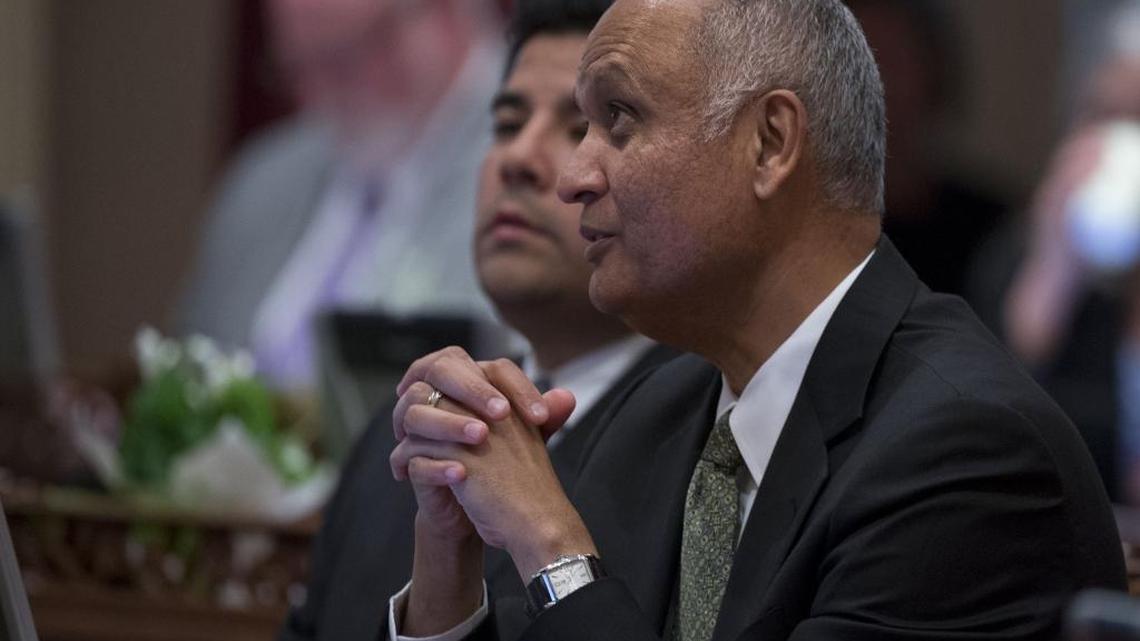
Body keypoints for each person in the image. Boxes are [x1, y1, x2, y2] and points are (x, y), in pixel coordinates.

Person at [388, 1, 1126, 640]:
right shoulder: (652, 417)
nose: (573, 176)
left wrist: (550, 546)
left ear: (771, 142)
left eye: (618, 120)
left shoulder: (969, 453)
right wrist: (448, 564)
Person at [277, 3, 675, 640]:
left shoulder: (710, 444)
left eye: (580, 129)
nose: (518, 158)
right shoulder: (402, 434)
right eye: (507, 122)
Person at [177, 0, 505, 393]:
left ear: (444, 14)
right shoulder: (264, 180)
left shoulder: (526, 168)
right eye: (300, 67)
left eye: (348, 57)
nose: (320, 92)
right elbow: (188, 364)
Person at [969, 0, 1140, 502]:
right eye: (1103, 115)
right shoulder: (1020, 256)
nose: (1121, 142)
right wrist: (1049, 281)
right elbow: (988, 451)